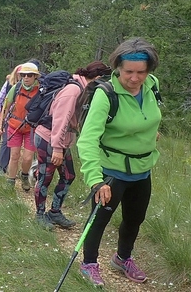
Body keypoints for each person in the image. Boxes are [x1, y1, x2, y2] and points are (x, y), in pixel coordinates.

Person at [76, 37, 162, 287]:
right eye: (129, 72)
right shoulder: (106, 94)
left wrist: (149, 134)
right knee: (99, 219)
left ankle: (123, 258)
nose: (135, 78)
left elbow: (150, 116)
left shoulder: (152, 85)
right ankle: (89, 263)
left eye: (141, 72)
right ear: (117, 68)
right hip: (111, 172)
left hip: (142, 170)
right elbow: (87, 140)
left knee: (135, 219)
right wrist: (96, 180)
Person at [32, 61, 112, 230]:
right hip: (48, 138)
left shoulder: (83, 90)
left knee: (68, 176)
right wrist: (57, 148)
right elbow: (60, 119)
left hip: (59, 139)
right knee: (45, 177)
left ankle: (54, 212)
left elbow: (74, 119)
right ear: (97, 77)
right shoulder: (73, 90)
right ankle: (39, 215)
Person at [0, 62, 39, 190]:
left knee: (27, 158)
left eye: (29, 75)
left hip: (31, 128)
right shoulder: (15, 88)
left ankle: (25, 175)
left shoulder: (41, 91)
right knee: (14, 155)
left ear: (35, 77)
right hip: (14, 126)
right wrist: (1, 124)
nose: (26, 78)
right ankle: (10, 182)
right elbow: (6, 107)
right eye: (23, 75)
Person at [0, 64, 23, 175]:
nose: (23, 76)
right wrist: (0, 117)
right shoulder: (9, 85)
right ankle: (1, 167)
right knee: (7, 141)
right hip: (8, 118)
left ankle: (12, 168)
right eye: (21, 74)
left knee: (15, 145)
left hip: (23, 120)